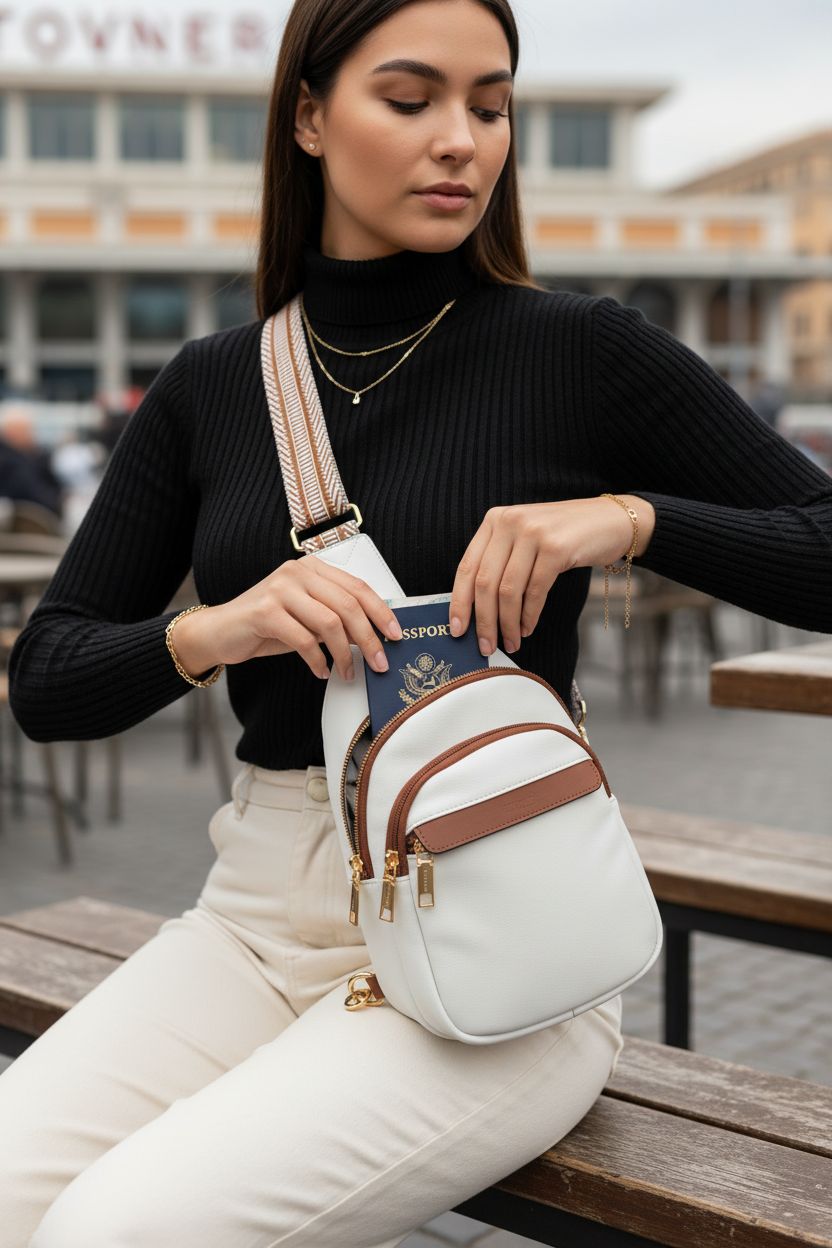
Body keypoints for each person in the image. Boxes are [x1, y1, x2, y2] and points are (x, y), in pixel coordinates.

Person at [1, 0, 831, 1244]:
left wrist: (628, 518)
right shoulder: (214, 383)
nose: (462, 140)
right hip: (253, 921)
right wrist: (215, 630)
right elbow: (48, 680)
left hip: (506, 947)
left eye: (490, 107)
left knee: (108, 1231)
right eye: (411, 99)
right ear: (308, 117)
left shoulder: (582, 350)